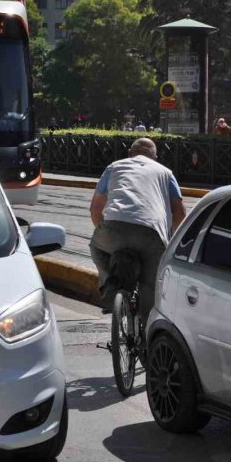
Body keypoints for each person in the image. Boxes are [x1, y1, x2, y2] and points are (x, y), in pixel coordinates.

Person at [89, 138, 186, 324]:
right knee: (150, 290)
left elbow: (95, 210)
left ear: (129, 153)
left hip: (114, 228)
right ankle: (146, 338)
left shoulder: (114, 167)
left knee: (96, 247)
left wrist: (107, 232)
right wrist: (169, 239)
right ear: (155, 157)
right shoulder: (166, 173)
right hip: (152, 235)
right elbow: (180, 213)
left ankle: (110, 285)